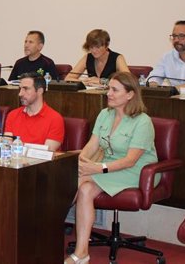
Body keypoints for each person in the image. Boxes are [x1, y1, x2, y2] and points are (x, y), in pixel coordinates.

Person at [66, 71, 159, 264]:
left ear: (130, 94)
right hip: (107, 166)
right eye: (109, 88)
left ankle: (46, 229)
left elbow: (130, 160)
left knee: (79, 181)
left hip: (138, 172)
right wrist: (82, 163)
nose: (109, 93)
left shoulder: (142, 121)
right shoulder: (104, 114)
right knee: (84, 189)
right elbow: (92, 145)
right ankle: (82, 252)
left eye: (114, 90)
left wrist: (96, 169)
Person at [4, 72, 64, 150]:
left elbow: (47, 153)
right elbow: (6, 147)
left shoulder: (55, 119)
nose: (20, 94)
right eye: (20, 89)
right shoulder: (12, 115)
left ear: (40, 91)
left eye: (26, 89)